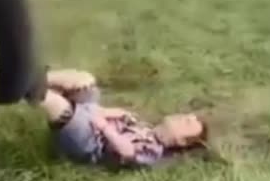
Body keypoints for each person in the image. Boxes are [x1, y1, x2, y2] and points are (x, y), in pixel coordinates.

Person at [36, 69, 208, 168]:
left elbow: (127, 151)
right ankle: (33, 78)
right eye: (186, 116)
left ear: (181, 141)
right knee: (86, 82)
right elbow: (107, 115)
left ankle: (27, 84)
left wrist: (105, 128)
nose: (183, 117)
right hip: (93, 120)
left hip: (88, 143)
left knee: (63, 108)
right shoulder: (144, 126)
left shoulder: (153, 151)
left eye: (187, 123)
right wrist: (111, 111)